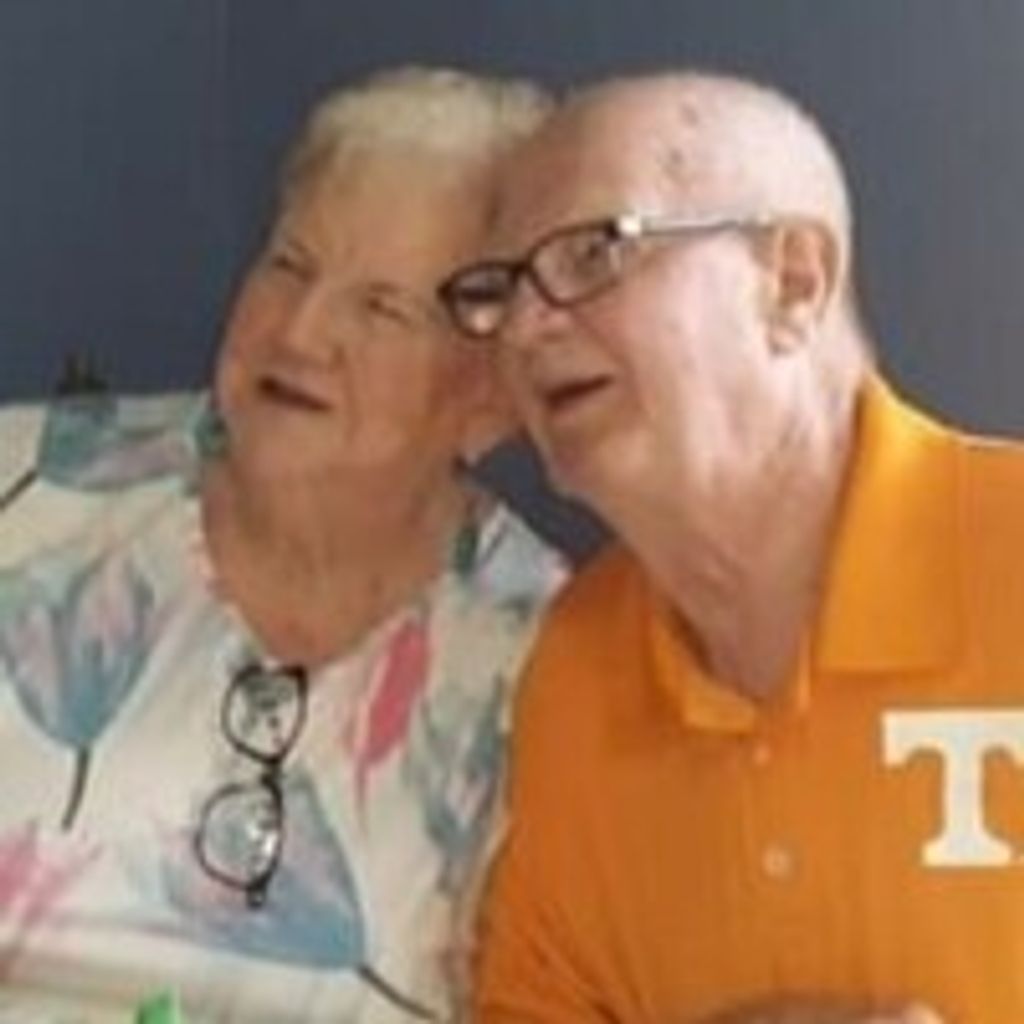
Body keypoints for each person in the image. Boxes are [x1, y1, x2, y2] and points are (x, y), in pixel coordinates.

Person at [437, 70, 1024, 1023]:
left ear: (792, 283)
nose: (527, 327)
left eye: (595, 252)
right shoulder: (576, 665)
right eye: (501, 289)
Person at [0, 67, 564, 1022]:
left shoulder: (542, 660)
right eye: (289, 266)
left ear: (491, 395)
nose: (300, 332)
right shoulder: (25, 492)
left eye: (382, 308)